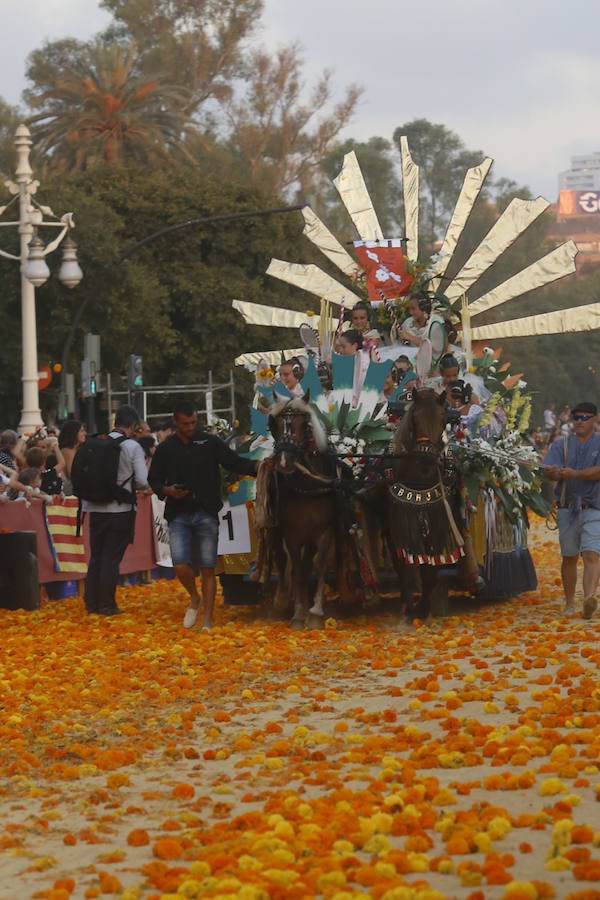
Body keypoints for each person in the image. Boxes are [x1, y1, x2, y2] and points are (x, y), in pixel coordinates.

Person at [148, 400, 259, 631]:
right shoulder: (167, 447)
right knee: (180, 565)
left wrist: (259, 467)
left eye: (193, 423)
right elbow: (154, 479)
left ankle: (208, 619)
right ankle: (194, 597)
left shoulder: (209, 442)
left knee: (209, 567)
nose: (190, 427)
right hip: (178, 512)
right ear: (176, 422)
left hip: (206, 511)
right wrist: (168, 491)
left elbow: (233, 462)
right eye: (185, 423)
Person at [83, 405, 150, 616]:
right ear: (132, 425)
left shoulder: (96, 442)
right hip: (120, 510)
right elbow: (141, 480)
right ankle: (106, 604)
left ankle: (91, 602)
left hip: (95, 508)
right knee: (111, 557)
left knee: (97, 556)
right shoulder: (132, 447)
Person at [543, 401, 600, 620]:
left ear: (595, 419)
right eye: (576, 418)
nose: (579, 422)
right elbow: (549, 471)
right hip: (567, 507)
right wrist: (554, 473)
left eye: (584, 418)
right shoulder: (561, 445)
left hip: (594, 507)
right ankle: (569, 602)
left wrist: (575, 474)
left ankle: (589, 598)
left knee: (591, 553)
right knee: (569, 556)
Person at [392, 294, 447, 371]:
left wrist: (410, 337)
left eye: (413, 309)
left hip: (434, 363)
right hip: (411, 364)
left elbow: (437, 348)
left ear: (423, 308)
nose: (411, 312)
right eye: (409, 309)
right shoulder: (407, 324)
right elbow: (402, 347)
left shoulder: (436, 322)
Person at [58, 419, 86, 495]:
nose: (85, 433)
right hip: (70, 491)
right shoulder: (68, 451)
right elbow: (72, 474)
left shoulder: (75, 450)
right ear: (73, 433)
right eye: (82, 431)